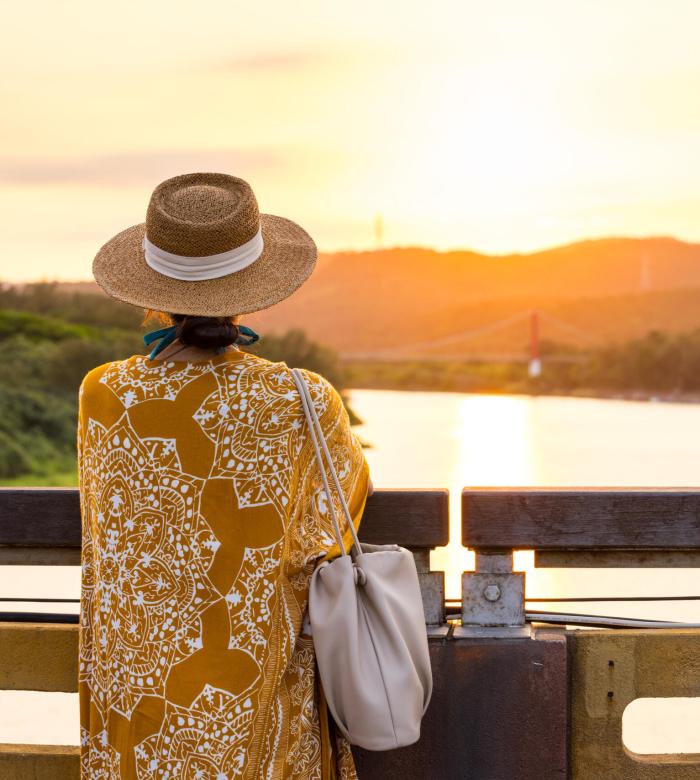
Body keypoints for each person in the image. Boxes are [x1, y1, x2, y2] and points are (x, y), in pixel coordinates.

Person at [77, 172, 371, 778]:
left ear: (150, 289)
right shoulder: (305, 399)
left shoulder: (103, 394)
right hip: (253, 689)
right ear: (254, 290)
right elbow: (333, 523)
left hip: (137, 700)